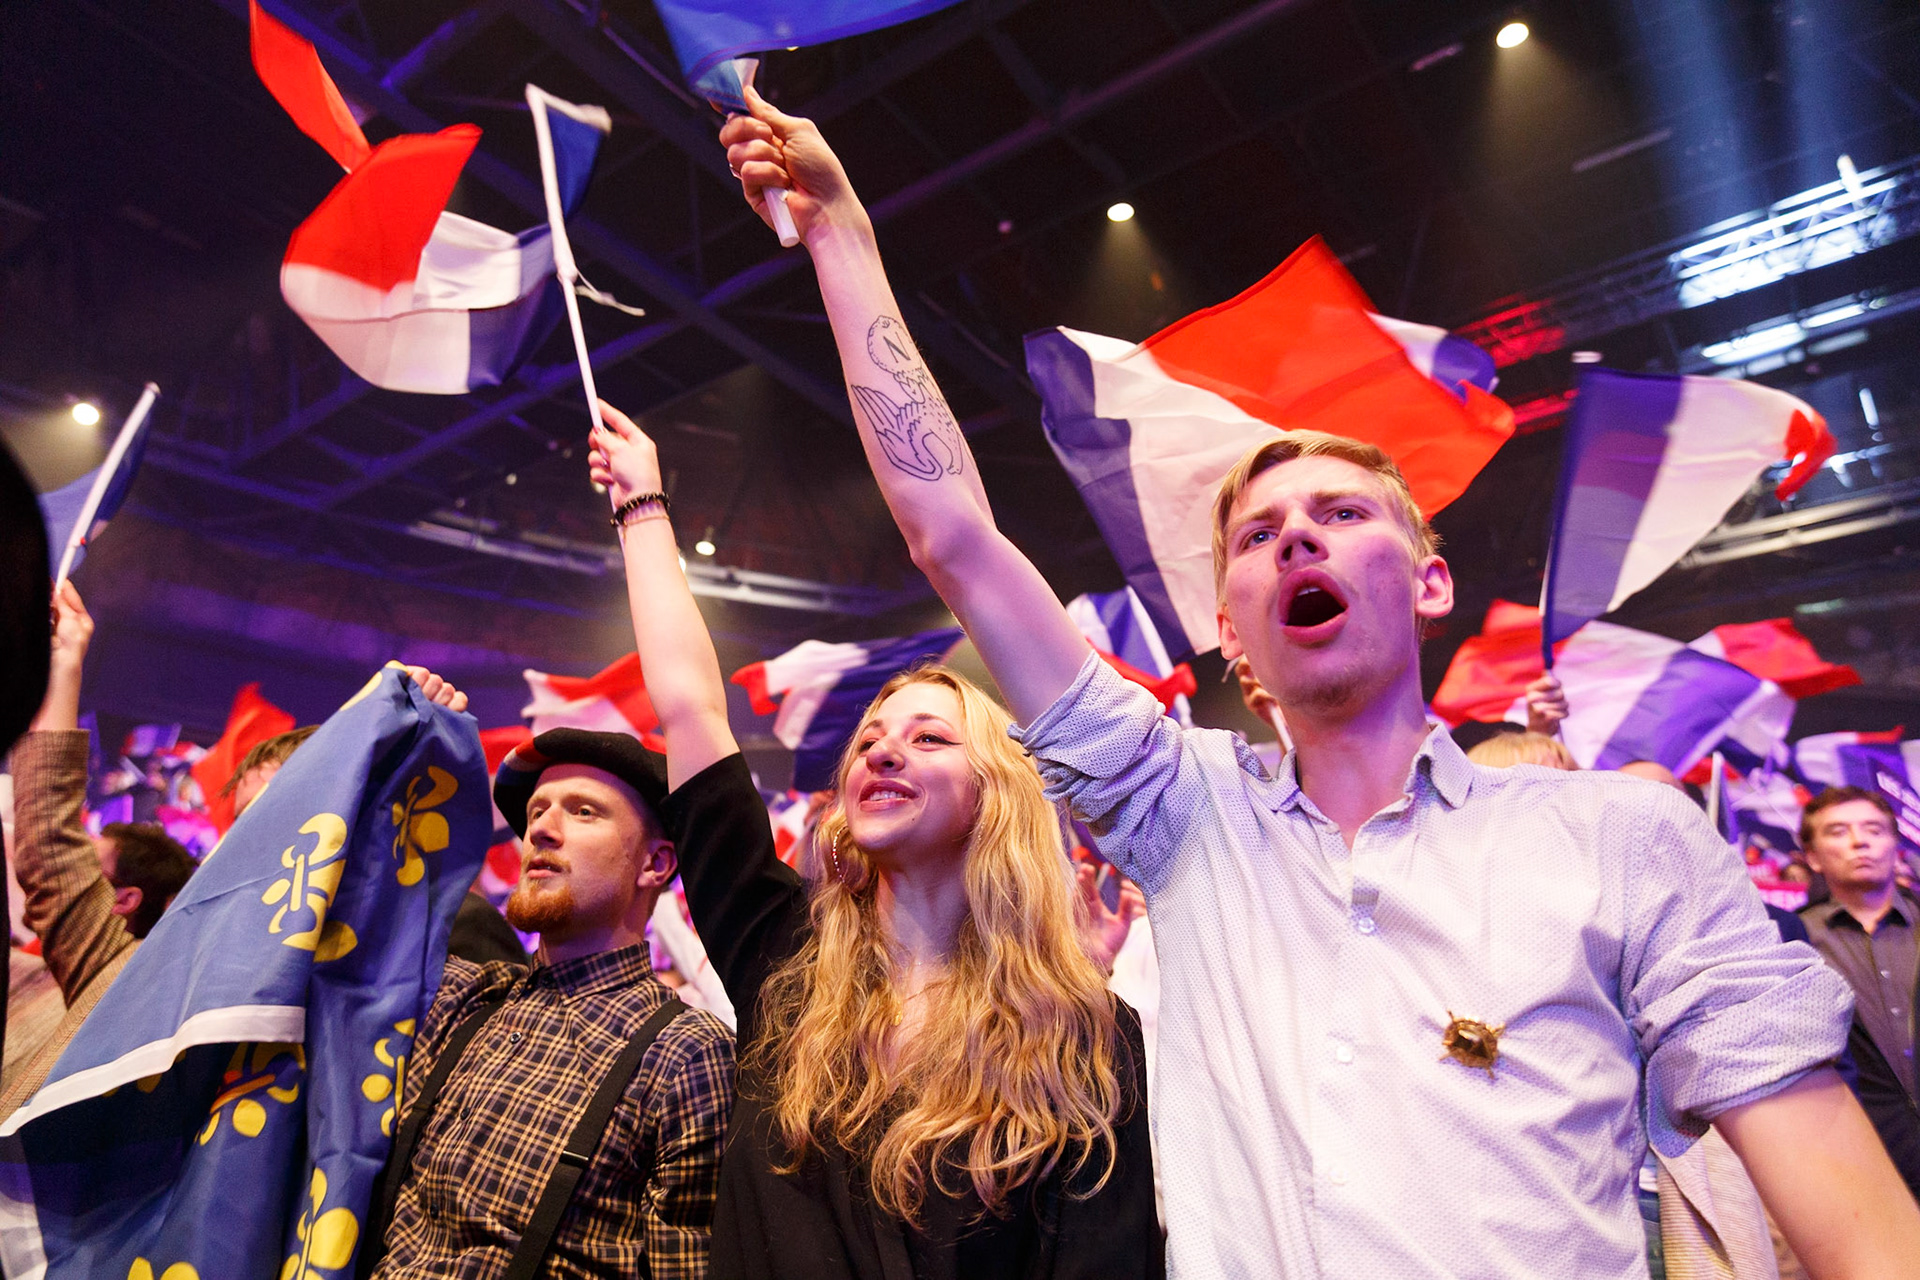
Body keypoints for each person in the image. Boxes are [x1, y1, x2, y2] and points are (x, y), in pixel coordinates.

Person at [721, 92, 1920, 1277]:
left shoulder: (1624, 839)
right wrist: (845, 242)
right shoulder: (1184, 819)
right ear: (1236, 632)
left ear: (1431, 581)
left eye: (1343, 514)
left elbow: (1841, 1196)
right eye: (1256, 535)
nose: (1297, 538)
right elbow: (954, 537)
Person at [587, 399, 1161, 1278]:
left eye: (930, 738)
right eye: (870, 740)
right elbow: (694, 708)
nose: (885, 745)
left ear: (995, 795)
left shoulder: (1082, 1034)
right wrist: (642, 509)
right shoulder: (784, 963)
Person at [362, 725, 735, 1279]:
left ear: (655, 864)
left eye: (583, 811)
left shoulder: (687, 1052)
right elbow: (340, 902)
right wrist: (391, 736)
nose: (542, 830)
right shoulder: (462, 997)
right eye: (537, 811)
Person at [225, 723, 527, 967]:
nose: (246, 837)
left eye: (267, 811)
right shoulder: (239, 935)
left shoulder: (451, 922)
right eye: (241, 820)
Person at [1796, 785, 1920, 1198]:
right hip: (1856, 1154)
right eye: (1837, 831)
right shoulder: (1792, 941)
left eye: (1874, 829)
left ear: (1895, 845)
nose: (1859, 841)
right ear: (1812, 857)